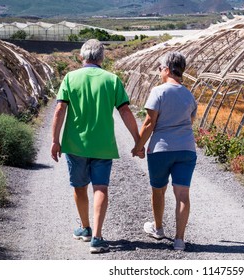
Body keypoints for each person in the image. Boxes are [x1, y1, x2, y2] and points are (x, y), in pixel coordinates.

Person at [51, 39, 142, 253]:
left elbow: (59, 110)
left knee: (79, 186)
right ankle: (98, 238)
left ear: (81, 57)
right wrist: (138, 142)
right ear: (102, 58)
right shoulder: (112, 80)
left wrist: (55, 140)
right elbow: (126, 112)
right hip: (103, 145)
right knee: (101, 187)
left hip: (75, 144)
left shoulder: (70, 78)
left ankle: (85, 228)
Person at [132, 51, 197, 251]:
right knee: (182, 194)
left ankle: (158, 229)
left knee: (158, 190)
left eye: (160, 69)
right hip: (186, 150)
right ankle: (179, 240)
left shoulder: (158, 91)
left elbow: (150, 122)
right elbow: (190, 121)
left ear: (167, 69)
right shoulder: (189, 95)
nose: (159, 72)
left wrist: (138, 146)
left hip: (161, 149)